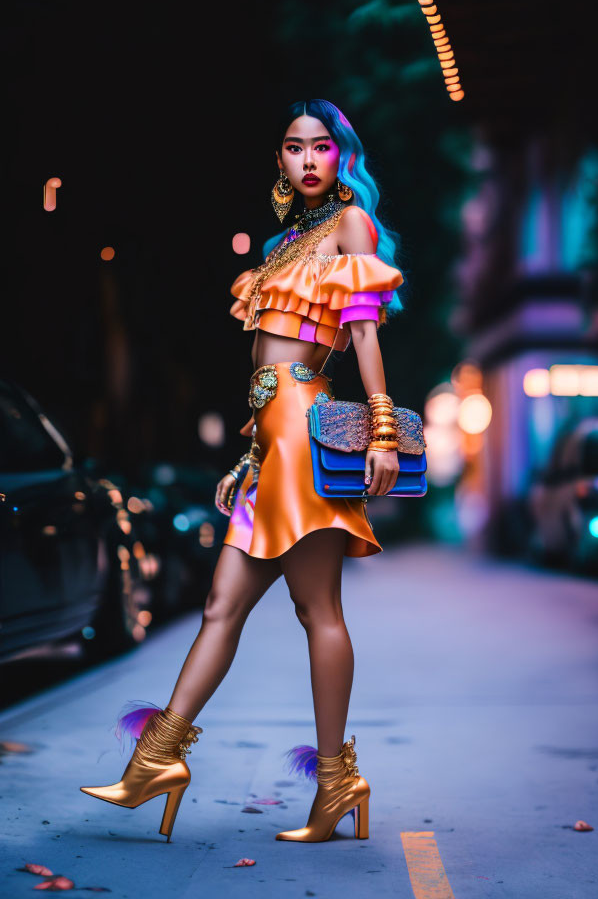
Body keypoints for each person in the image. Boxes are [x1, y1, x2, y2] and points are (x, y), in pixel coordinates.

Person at [81, 98, 406, 844]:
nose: (307, 160)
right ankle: (155, 762)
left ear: (342, 156)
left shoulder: (349, 227)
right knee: (220, 607)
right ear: (282, 163)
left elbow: (361, 336)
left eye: (321, 147)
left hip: (308, 436)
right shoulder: (289, 242)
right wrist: (248, 456)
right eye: (293, 148)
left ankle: (335, 784)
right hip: (271, 443)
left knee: (316, 611)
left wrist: (383, 429)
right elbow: (267, 371)